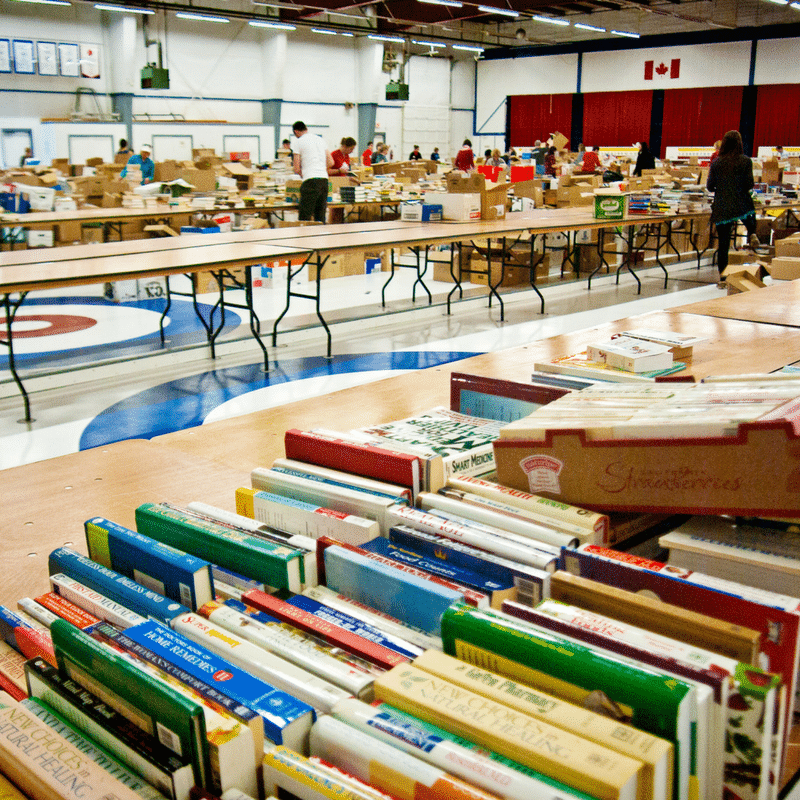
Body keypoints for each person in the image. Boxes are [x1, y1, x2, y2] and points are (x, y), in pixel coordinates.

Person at [707, 129, 759, 284]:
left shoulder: (717, 163)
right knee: (749, 211)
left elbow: (710, 186)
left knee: (723, 244)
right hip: (741, 203)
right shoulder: (745, 161)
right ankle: (752, 231)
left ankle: (723, 278)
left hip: (723, 205)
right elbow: (749, 184)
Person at [292, 120, 333, 223]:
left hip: (310, 180)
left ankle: (304, 239)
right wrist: (320, 168)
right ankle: (322, 238)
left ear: (296, 131)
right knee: (320, 217)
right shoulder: (320, 140)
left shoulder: (298, 142)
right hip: (324, 180)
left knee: (304, 218)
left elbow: (296, 168)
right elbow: (331, 162)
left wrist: (305, 172)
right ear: (306, 129)